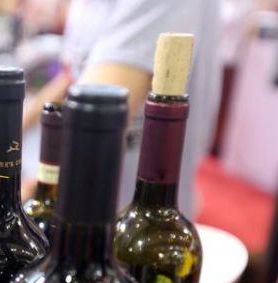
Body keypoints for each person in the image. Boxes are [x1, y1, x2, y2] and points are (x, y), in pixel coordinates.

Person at [23, 0, 222, 218]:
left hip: (133, 215)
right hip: (89, 202)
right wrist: (11, 131)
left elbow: (96, 116)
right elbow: (75, 73)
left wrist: (23, 190)